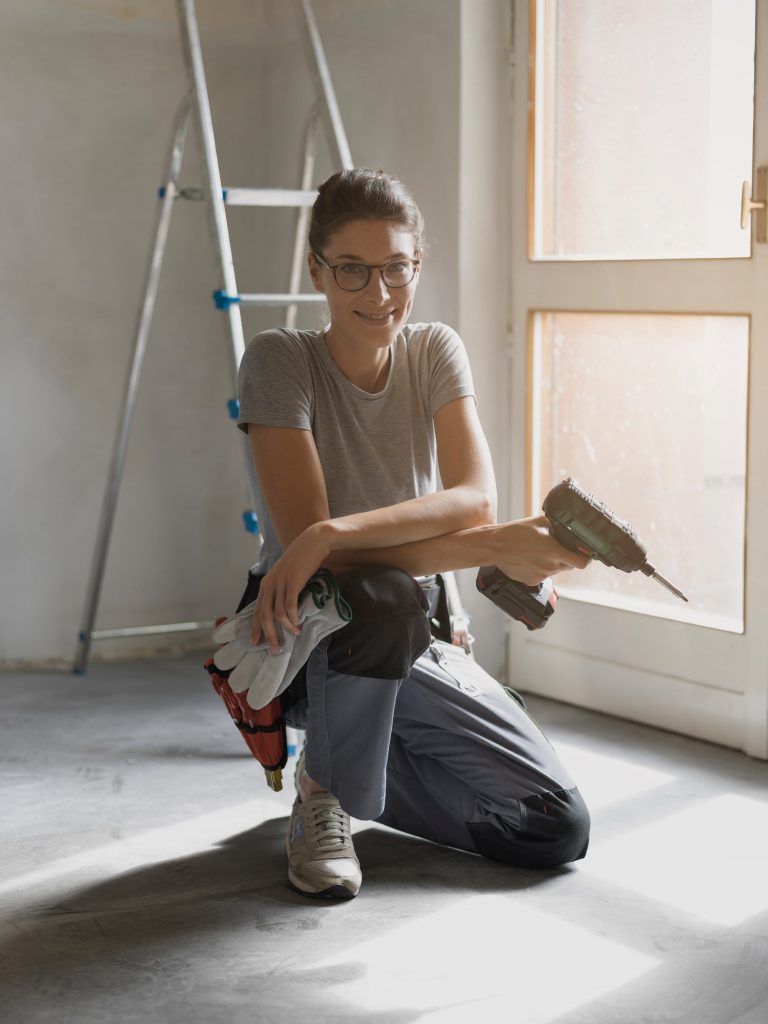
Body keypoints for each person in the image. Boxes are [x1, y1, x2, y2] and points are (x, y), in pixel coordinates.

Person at [234, 168, 591, 899]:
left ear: (416, 266)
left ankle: (342, 756)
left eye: (396, 268)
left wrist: (333, 531)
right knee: (383, 594)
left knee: (551, 825)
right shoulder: (279, 360)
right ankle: (323, 796)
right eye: (353, 270)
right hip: (315, 638)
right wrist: (488, 544)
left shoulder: (433, 350)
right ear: (317, 271)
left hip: (419, 635)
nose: (378, 293)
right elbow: (321, 557)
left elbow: (472, 498)